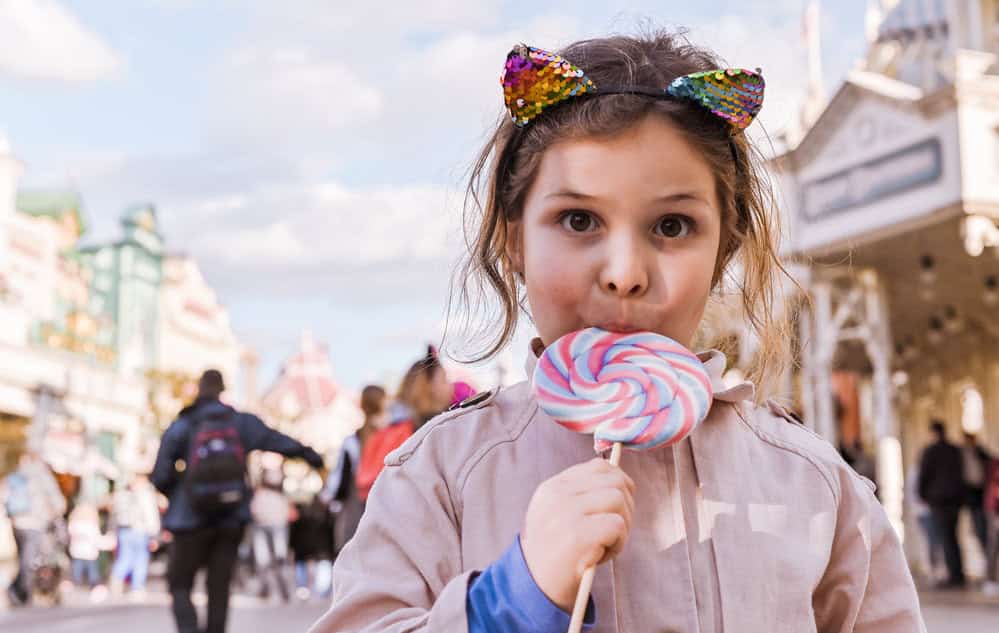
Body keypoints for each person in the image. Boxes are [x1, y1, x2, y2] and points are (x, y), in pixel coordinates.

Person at [310, 32, 924, 632]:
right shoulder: (439, 476)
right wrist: (512, 599)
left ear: (723, 249)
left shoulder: (815, 485)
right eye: (578, 219)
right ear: (512, 240)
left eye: (674, 226)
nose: (626, 274)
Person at [152, 369, 324, 633]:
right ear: (222, 390)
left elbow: (160, 474)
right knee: (219, 588)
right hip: (230, 517)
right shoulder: (239, 422)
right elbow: (277, 440)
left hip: (189, 520)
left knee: (180, 584)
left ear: (199, 389)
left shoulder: (184, 423)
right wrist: (312, 456)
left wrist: (184, 492)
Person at [354, 351, 452, 502]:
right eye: (445, 380)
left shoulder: (391, 425)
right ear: (428, 387)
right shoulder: (427, 429)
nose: (451, 386)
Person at [321, 384, 385, 552]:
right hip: (383, 504)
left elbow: (338, 480)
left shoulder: (351, 441)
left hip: (355, 507)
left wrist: (328, 498)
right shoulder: (390, 436)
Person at [3, 452, 66, 606]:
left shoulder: (15, 477)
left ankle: (21, 591)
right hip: (36, 523)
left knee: (24, 557)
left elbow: (4, 497)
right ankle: (20, 590)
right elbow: (58, 503)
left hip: (18, 523)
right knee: (30, 559)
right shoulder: (42, 477)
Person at [918, 420, 966, 588]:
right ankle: (958, 572)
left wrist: (922, 495)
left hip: (938, 500)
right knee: (952, 536)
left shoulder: (930, 452)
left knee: (944, 537)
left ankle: (954, 575)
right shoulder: (954, 450)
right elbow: (962, 473)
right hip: (954, 500)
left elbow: (924, 475)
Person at [110, 473, 162, 599]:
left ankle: (116, 581)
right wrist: (154, 534)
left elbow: (114, 515)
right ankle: (137, 587)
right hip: (140, 530)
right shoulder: (145, 495)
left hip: (124, 531)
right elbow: (151, 516)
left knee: (125, 557)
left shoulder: (123, 495)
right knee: (140, 559)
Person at [250, 466, 292, 602]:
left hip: (273, 525)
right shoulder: (264, 494)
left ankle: (280, 589)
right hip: (267, 525)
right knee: (266, 560)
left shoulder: (272, 495)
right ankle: (268, 589)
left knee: (274, 560)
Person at [961, 432, 992, 553]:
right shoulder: (960, 455)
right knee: (977, 527)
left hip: (983, 495)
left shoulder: (981, 453)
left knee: (984, 526)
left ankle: (987, 553)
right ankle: (985, 553)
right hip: (971, 497)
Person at [67, 501, 103, 596]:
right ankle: (94, 584)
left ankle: (76, 583)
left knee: (77, 568)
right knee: (92, 569)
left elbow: (71, 534)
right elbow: (96, 537)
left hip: (77, 551)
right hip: (89, 552)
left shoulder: (74, 524)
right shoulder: (92, 525)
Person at [984, 455, 999, 597]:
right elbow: (995, 491)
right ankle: (990, 580)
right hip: (995, 510)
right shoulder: (995, 465)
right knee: (994, 545)